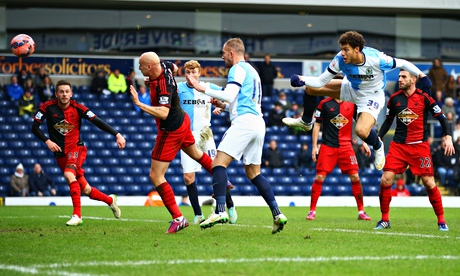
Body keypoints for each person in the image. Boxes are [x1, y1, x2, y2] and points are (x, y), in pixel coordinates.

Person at [284, 30, 432, 172]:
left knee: (361, 131)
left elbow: (403, 63)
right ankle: (306, 122)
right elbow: (320, 81)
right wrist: (302, 79)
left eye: (346, 49)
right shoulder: (339, 60)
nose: (342, 53)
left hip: (371, 96)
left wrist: (421, 76)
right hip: (351, 89)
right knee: (310, 89)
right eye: (341, 49)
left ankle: (378, 146)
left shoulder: (376, 59)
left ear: (357, 49)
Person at [186, 38, 288, 234]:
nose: (222, 56)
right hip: (258, 122)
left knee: (217, 164)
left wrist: (201, 88)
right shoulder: (253, 71)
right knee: (254, 173)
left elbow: (230, 94)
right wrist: (223, 107)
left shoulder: (237, 69)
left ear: (232, 53)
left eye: (224, 53)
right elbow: (239, 100)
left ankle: (220, 210)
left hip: (245, 122)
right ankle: (277, 214)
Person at [129, 52, 216, 234]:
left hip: (171, 129)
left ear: (151, 67)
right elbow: (174, 67)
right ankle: (222, 178)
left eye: (142, 66)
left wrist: (139, 103)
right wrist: (149, 81)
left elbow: (163, 113)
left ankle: (178, 218)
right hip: (183, 121)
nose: (139, 69)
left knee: (155, 175)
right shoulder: (166, 66)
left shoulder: (163, 84)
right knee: (197, 155)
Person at [31, 79, 125, 226]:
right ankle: (110, 200)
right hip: (60, 154)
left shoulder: (78, 107)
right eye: (61, 91)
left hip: (76, 149)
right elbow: (34, 127)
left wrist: (117, 134)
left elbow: (97, 121)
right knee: (86, 189)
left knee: (69, 175)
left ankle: (77, 215)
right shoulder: (47, 107)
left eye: (67, 91)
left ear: (71, 93)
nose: (64, 94)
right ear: (56, 93)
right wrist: (47, 141)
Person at [374, 69, 455, 231]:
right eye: (399, 77)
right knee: (385, 179)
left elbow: (442, 119)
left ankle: (441, 221)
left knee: (429, 183)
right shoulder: (394, 99)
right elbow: (388, 121)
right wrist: (379, 137)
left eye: (404, 77)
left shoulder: (425, 98)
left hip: (420, 146)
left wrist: (448, 136)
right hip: (398, 146)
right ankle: (384, 220)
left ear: (413, 80)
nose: (400, 79)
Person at [177, 59, 237, 225]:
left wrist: (220, 106)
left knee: (216, 170)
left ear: (199, 73)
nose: (190, 76)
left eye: (193, 72)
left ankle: (229, 206)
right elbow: (164, 94)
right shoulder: (179, 88)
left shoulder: (208, 87)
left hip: (205, 135)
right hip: (186, 136)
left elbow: (228, 97)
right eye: (188, 72)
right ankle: (198, 214)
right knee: (189, 177)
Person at [307, 97, 371, 221]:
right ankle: (312, 211)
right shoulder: (324, 103)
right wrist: (314, 146)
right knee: (320, 177)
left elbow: (361, 123)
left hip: (346, 146)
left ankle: (361, 211)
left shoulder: (352, 104)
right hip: (328, 146)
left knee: (355, 176)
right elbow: (317, 125)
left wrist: (364, 141)